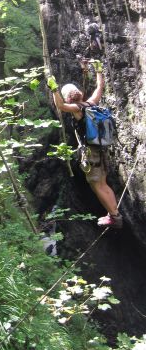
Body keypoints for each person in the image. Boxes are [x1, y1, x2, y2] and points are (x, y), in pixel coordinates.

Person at [47, 61, 123, 229]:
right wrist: (99, 70)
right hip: (101, 150)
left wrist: (53, 88)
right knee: (104, 183)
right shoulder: (92, 103)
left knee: (98, 186)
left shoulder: (77, 110)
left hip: (91, 154)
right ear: (80, 93)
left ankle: (115, 217)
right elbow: (99, 88)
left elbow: (60, 105)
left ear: (69, 97)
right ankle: (114, 213)